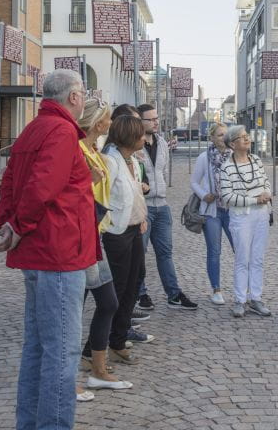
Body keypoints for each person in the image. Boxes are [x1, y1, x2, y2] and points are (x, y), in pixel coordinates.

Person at [0, 69, 98, 427]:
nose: (84, 99)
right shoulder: (62, 130)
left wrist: (8, 223)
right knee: (62, 352)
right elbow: (41, 188)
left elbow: (9, 182)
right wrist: (16, 225)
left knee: (38, 348)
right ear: (73, 96)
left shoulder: (33, 129)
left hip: (41, 254)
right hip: (59, 254)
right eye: (83, 93)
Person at [76, 99, 133, 393]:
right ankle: (70, 376)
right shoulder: (79, 151)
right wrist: (89, 178)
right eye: (108, 119)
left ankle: (96, 369)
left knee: (108, 302)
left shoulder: (92, 150)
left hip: (94, 237)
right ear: (98, 123)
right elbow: (71, 191)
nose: (111, 123)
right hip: (79, 240)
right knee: (73, 309)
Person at [135, 104, 198, 310]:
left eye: (156, 118)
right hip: (142, 206)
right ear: (140, 121)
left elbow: (162, 173)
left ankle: (173, 294)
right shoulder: (134, 145)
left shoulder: (162, 143)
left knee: (165, 253)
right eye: (150, 119)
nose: (155, 122)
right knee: (139, 254)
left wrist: (160, 191)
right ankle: (140, 293)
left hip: (161, 206)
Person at [101, 115, 150, 366]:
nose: (145, 137)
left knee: (133, 285)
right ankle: (98, 347)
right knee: (117, 290)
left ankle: (118, 341)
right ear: (130, 137)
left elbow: (135, 196)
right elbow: (102, 199)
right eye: (141, 134)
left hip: (134, 230)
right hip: (116, 233)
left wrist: (141, 216)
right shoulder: (110, 161)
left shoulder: (132, 160)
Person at [218, 125, 272, 318]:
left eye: (247, 136)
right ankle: (240, 300)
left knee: (257, 258)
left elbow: (265, 181)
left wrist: (267, 193)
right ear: (233, 144)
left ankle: (256, 298)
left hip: (261, 215)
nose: (247, 139)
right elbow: (227, 196)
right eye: (242, 137)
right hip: (241, 217)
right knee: (243, 259)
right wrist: (254, 199)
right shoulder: (227, 167)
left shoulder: (256, 160)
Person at [191, 123, 235, 305]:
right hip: (212, 212)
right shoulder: (204, 157)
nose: (223, 138)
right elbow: (194, 182)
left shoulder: (235, 156)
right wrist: (204, 195)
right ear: (212, 138)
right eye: (219, 135)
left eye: (226, 135)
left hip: (233, 210)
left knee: (240, 249)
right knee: (214, 252)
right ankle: (216, 290)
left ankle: (243, 288)